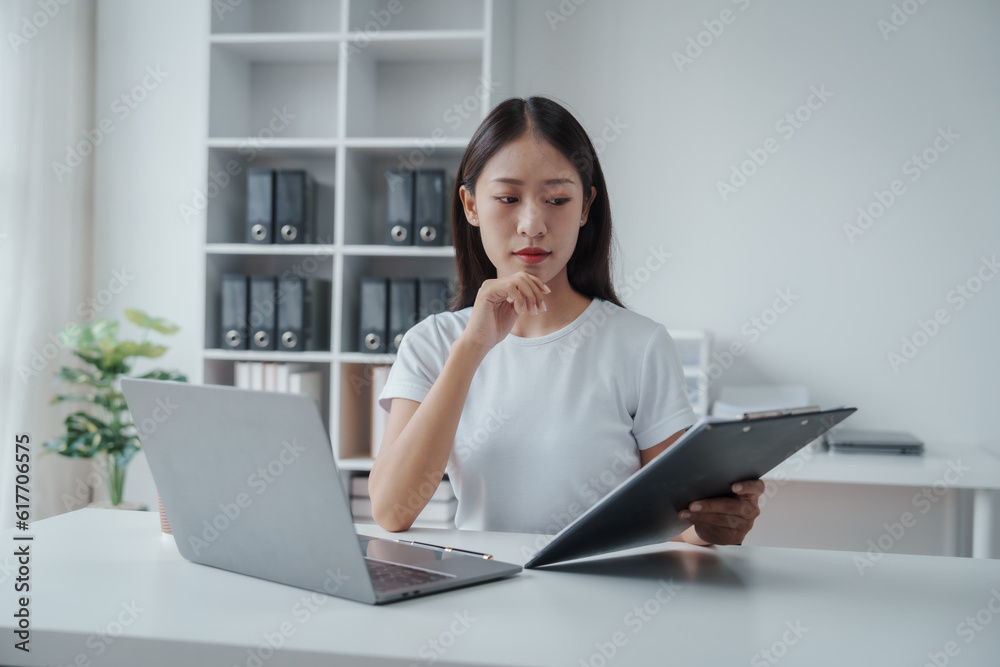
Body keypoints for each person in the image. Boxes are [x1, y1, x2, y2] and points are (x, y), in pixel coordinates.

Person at [369, 96, 763, 547]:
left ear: (585, 207)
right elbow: (391, 511)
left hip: (606, 596)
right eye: (507, 198)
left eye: (557, 199)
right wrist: (471, 348)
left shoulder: (640, 344)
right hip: (484, 596)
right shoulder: (433, 343)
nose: (533, 224)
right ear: (471, 205)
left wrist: (716, 524)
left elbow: (677, 517)